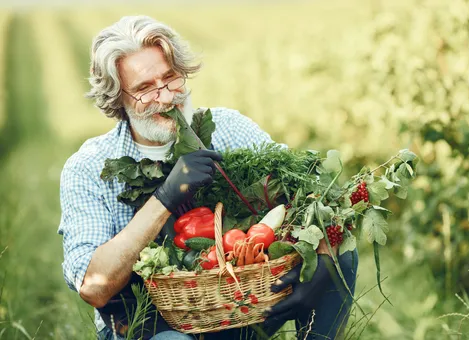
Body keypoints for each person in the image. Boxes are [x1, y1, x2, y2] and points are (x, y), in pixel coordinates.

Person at [58, 15, 358, 340]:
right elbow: (93, 287)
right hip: (147, 326)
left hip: (245, 305)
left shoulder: (228, 129)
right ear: (118, 99)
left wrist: (322, 269)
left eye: (171, 78)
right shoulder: (89, 167)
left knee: (341, 255)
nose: (165, 96)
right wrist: (164, 198)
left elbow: (318, 195)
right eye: (144, 88)